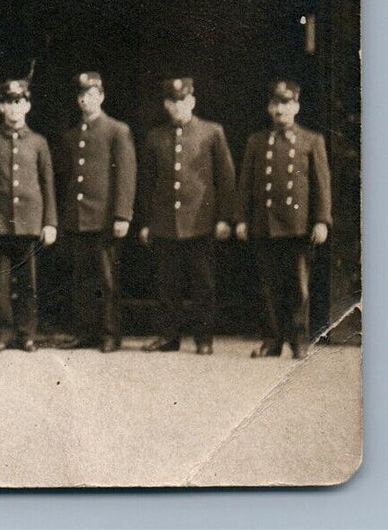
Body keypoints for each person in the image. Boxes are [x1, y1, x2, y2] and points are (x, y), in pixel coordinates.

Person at [138, 78, 237, 355]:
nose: (178, 106)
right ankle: (168, 337)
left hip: (201, 223)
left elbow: (225, 179)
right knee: (166, 285)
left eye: (184, 100)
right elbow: (148, 183)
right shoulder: (155, 137)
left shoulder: (211, 132)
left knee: (203, 284)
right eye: (173, 101)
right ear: (166, 104)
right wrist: (146, 222)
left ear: (192, 101)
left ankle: (203, 339)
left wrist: (224, 218)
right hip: (165, 222)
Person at [236, 80, 331, 359]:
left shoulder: (311, 141)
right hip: (265, 223)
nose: (281, 110)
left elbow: (321, 185)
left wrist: (322, 220)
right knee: (268, 286)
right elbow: (246, 184)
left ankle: (299, 341)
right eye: (276, 104)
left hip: (298, 226)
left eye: (286, 104)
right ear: (269, 107)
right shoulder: (257, 141)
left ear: (297, 106)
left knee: (298, 286)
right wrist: (241, 218)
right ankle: (272, 341)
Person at [0, 79, 56, 352]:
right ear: (1, 106)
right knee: (1, 285)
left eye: (19, 102)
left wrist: (50, 222)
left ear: (28, 105)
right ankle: (2, 332)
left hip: (30, 223)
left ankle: (27, 332)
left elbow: (48, 184)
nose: (14, 108)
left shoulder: (39, 143)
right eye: (9, 102)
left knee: (29, 284)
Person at [55, 72, 136, 353]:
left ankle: (111, 333)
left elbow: (126, 175)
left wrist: (122, 215)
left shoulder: (117, 130)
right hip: (78, 217)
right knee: (81, 279)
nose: (85, 100)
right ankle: (84, 331)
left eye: (91, 95)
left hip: (104, 219)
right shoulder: (72, 134)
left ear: (101, 96)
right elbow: (68, 178)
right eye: (81, 95)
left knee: (107, 280)